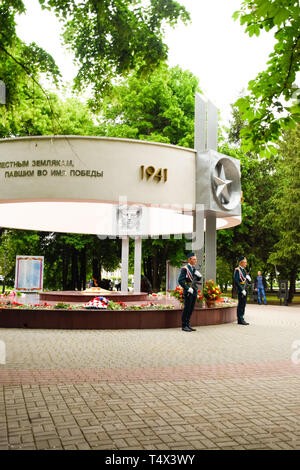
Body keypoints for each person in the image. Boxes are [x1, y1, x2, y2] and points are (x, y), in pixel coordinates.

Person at [178, 252, 202, 332]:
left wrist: (199, 277)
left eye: (196, 259)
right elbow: (180, 280)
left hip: (194, 290)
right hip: (188, 291)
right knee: (187, 308)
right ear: (189, 260)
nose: (195, 261)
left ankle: (188, 324)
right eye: (194, 259)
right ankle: (184, 325)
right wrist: (187, 288)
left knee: (191, 308)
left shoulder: (193, 268)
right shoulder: (185, 269)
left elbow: (195, 279)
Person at [234, 256, 251, 325]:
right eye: (245, 262)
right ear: (241, 263)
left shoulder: (244, 270)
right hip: (241, 290)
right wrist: (242, 289)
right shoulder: (237, 270)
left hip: (245, 289)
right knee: (241, 304)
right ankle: (240, 319)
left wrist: (249, 279)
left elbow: (246, 281)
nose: (246, 264)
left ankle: (242, 318)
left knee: (243, 305)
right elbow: (236, 281)